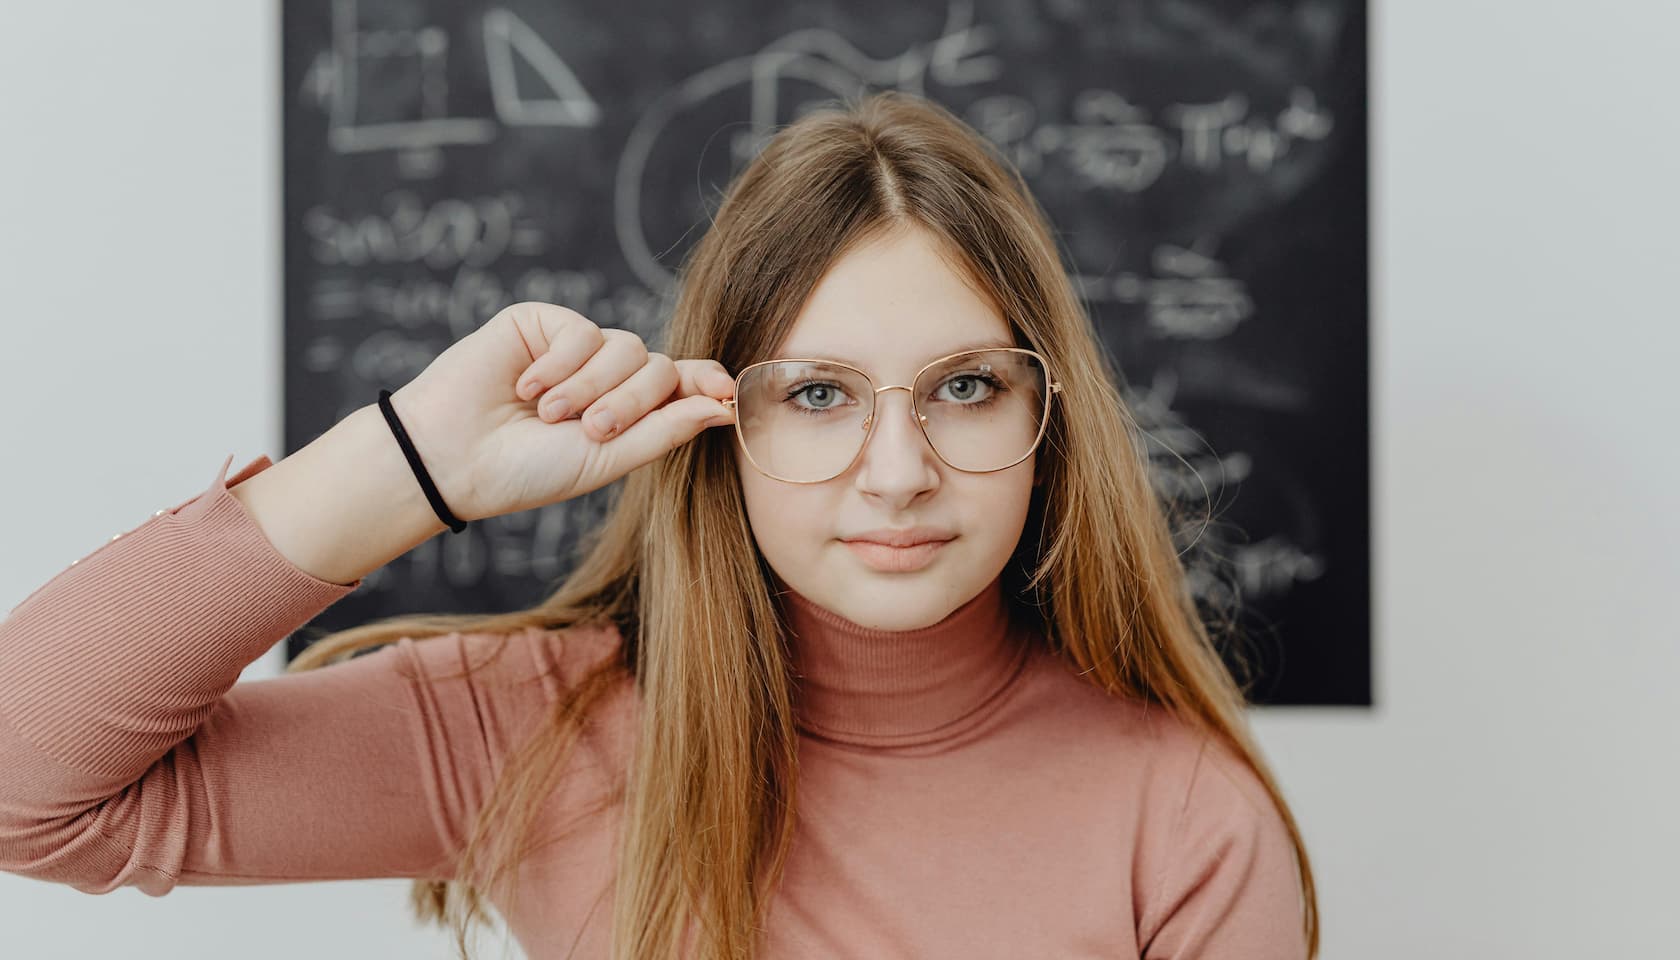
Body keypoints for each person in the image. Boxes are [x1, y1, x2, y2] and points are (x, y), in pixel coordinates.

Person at [0, 90, 1318, 959]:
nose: (899, 471)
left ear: (1050, 412)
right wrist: (414, 464)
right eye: (817, 395)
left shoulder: (1186, 821)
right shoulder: (530, 725)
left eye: (965, 387)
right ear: (720, 422)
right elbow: (25, 793)